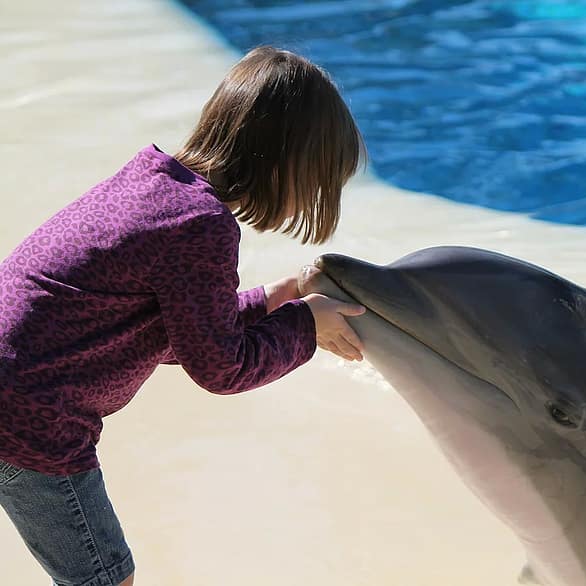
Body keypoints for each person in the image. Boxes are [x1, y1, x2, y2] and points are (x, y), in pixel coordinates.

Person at [0, 46, 366, 586]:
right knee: (104, 579)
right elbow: (222, 368)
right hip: (31, 420)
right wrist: (308, 326)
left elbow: (173, 327)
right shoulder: (201, 226)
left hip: (15, 391)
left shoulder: (155, 186)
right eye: (319, 178)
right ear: (286, 161)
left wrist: (275, 298)